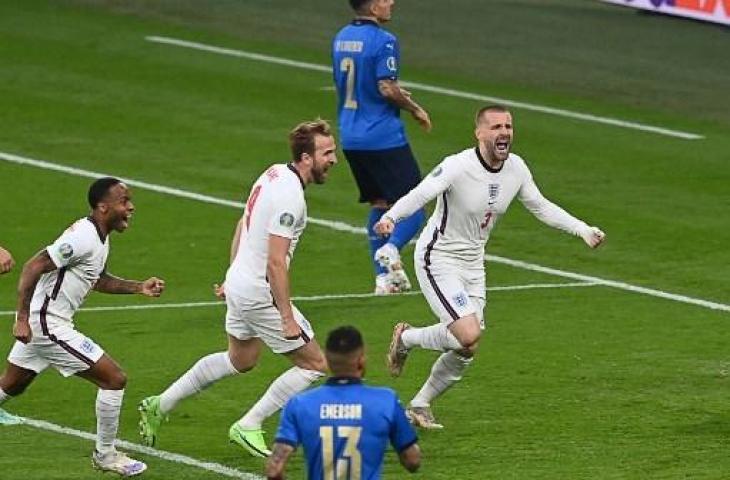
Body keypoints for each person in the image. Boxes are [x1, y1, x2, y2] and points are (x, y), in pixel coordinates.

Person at [375, 105, 606, 429]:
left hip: (474, 263)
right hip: (437, 258)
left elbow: (540, 205)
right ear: (479, 133)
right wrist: (390, 218)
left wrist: (582, 229)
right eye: (496, 126)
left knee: (468, 346)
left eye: (508, 127)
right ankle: (408, 340)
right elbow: (422, 193)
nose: (504, 133)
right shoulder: (457, 166)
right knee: (467, 332)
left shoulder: (516, 169)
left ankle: (420, 401)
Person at [139, 119, 338, 458]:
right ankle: (249, 424)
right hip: (259, 290)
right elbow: (276, 262)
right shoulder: (292, 198)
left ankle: (160, 404)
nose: (334, 160)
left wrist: (231, 274)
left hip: (240, 283)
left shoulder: (273, 173)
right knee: (314, 364)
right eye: (327, 153)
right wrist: (286, 317)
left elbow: (242, 221)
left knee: (241, 359)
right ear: (306, 158)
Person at [0, 177, 165, 476]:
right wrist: (22, 319)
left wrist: (139, 287)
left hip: (46, 321)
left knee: (12, 384)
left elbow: (97, 278)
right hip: (48, 324)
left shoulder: (98, 237)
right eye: (124, 201)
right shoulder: (83, 238)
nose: (131, 207)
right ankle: (105, 455)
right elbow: (33, 266)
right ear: (103, 207)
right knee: (114, 379)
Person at [332, 0, 432, 295]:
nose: (391, 3)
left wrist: (394, 92)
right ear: (373, 7)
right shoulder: (385, 41)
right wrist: (413, 108)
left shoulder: (341, 38)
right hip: (382, 136)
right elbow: (385, 87)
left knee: (380, 203)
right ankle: (390, 248)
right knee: (413, 204)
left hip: (351, 135)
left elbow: (355, 82)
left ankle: (383, 281)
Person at [265, 325, 420, 480]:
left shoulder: (300, 404)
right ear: (361, 361)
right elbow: (412, 461)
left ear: (329, 361)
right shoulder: (386, 401)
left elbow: (274, 469)